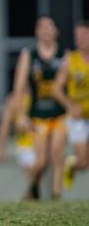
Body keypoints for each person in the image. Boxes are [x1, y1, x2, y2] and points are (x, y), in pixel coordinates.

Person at [10, 15, 66, 199]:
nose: (46, 30)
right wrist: (20, 115)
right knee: (41, 161)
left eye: (50, 26)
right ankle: (33, 189)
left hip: (59, 114)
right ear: (36, 31)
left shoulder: (65, 55)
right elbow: (18, 87)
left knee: (57, 153)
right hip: (38, 114)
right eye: (42, 27)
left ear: (56, 31)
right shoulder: (29, 55)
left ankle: (56, 195)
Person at [52, 20, 89, 190]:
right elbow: (56, 89)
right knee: (83, 163)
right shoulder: (70, 60)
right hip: (78, 118)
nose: (80, 39)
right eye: (77, 35)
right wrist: (70, 106)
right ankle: (72, 165)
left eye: (84, 35)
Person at [0, 92, 39, 199]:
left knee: (37, 178)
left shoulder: (39, 94)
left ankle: (30, 201)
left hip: (40, 144)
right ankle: (30, 201)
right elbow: (4, 126)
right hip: (24, 146)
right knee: (34, 178)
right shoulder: (13, 100)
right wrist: (2, 149)